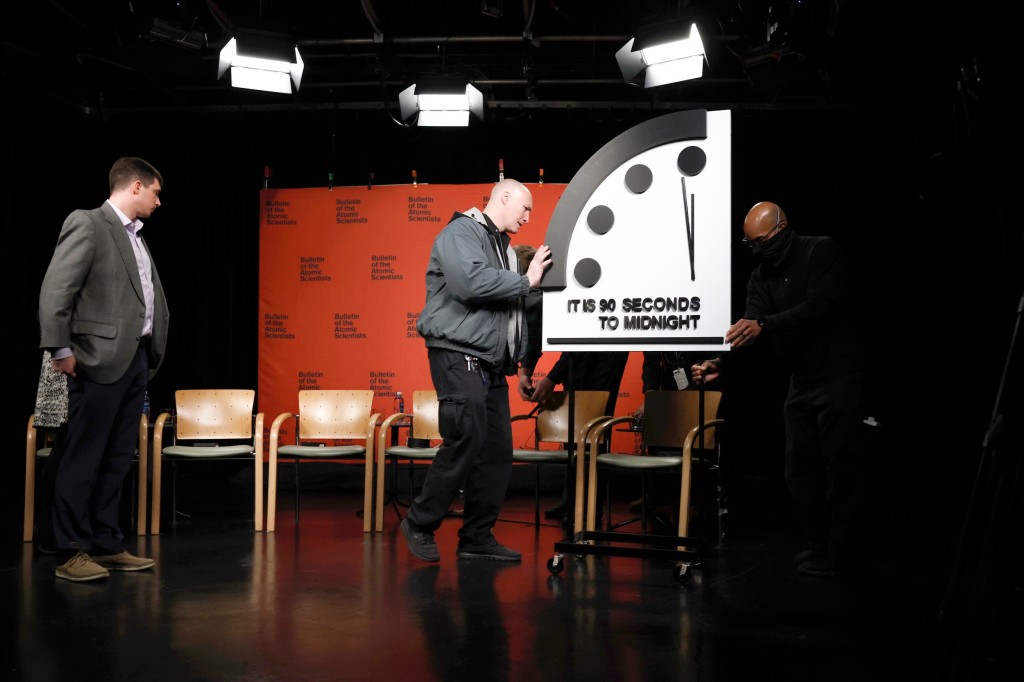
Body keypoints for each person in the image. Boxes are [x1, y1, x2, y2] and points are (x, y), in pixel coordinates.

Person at [691, 201, 870, 577]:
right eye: (750, 243)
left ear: (782, 227)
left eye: (763, 240)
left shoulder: (821, 251)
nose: (757, 249)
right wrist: (719, 364)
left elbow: (820, 306)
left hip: (838, 375)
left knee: (841, 468)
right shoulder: (760, 277)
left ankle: (844, 554)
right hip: (801, 380)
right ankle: (818, 545)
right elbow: (749, 328)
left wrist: (765, 324)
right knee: (799, 470)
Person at [401, 178, 551, 562]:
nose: (528, 217)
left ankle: (476, 537)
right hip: (457, 352)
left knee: (498, 452)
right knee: (467, 436)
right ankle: (419, 522)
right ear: (503, 197)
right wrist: (525, 280)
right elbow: (469, 283)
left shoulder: (504, 249)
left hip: (491, 361)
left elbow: (518, 309)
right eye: (525, 208)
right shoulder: (461, 231)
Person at [38, 156, 170, 582]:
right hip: (96, 359)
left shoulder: (135, 237)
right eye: (155, 192)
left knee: (116, 458)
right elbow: (57, 289)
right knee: (84, 455)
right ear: (135, 186)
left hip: (135, 360)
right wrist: (60, 349)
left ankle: (105, 542)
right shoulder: (89, 223)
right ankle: (68, 550)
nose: (158, 201)